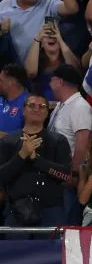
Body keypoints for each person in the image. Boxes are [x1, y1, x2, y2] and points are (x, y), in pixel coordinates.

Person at [0, 91, 70, 226]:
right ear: (23, 110)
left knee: (52, 248)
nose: (37, 109)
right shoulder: (8, 141)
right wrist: (21, 155)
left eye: (42, 106)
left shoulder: (58, 141)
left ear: (47, 113)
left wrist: (36, 160)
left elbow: (65, 176)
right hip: (16, 212)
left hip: (51, 212)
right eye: (32, 105)